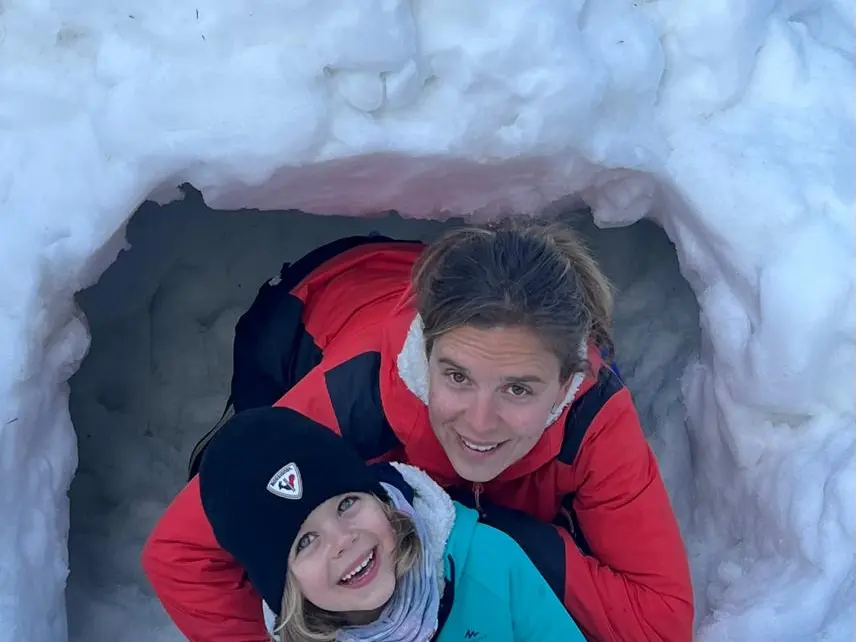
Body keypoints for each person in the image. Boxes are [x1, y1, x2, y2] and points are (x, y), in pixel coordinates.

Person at [142, 219, 694, 641]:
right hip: (306, 315)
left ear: (568, 380)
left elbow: (660, 622)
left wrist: (493, 539)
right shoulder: (355, 396)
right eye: (456, 376)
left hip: (446, 293)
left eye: (519, 389)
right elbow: (180, 557)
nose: (479, 423)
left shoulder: (592, 414)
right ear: (424, 356)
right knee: (265, 488)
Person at [197, 405, 587, 641]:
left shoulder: (488, 563)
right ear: (283, 584)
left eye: (346, 503)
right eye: (305, 541)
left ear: (381, 500)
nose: (343, 540)